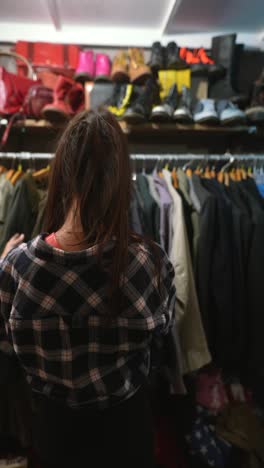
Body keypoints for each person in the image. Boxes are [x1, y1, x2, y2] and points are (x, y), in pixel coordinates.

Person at [0, 110, 176, 468]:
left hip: (54, 437)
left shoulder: (16, 266)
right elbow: (160, 346)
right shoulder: (151, 263)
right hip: (127, 434)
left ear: (60, 175)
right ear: (121, 178)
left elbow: (8, 351)